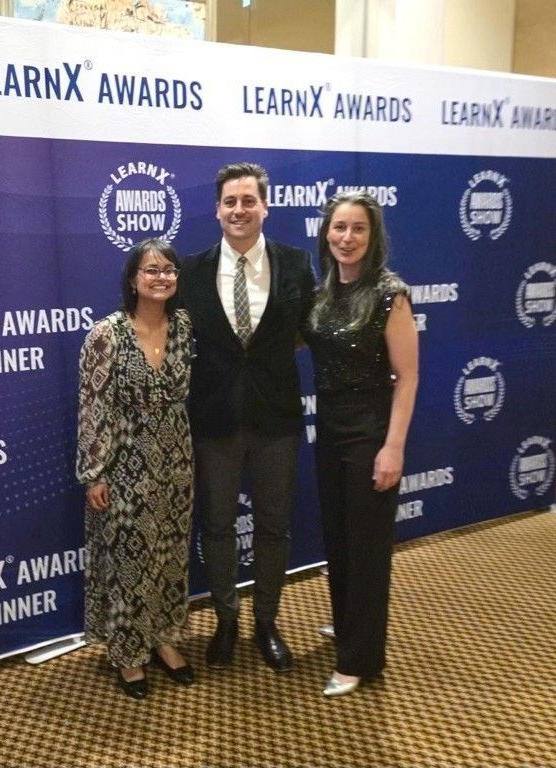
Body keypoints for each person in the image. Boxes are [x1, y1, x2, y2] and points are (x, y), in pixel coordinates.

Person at [179, 163, 315, 672]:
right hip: (213, 420)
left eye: (248, 200)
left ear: (265, 207)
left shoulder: (296, 262)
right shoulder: (190, 271)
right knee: (216, 525)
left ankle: (266, 621)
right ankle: (226, 620)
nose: (239, 210)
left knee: (274, 526)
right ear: (217, 210)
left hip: (276, 418)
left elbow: (306, 330)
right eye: (230, 201)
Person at [303, 191, 418, 696]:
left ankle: (359, 659)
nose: (346, 238)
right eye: (339, 228)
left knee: (367, 548)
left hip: (371, 433)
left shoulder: (391, 294)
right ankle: (350, 623)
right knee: (339, 538)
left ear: (373, 237)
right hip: (329, 431)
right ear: (326, 233)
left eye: (358, 229)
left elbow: (408, 377)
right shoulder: (324, 293)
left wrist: (393, 447)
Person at [76, 237, 195, 699]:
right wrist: (95, 472)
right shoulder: (106, 335)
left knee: (170, 555)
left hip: (176, 461)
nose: (161, 277)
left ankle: (164, 638)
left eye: (168, 270)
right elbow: (93, 407)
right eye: (151, 270)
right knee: (129, 560)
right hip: (124, 464)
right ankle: (128, 654)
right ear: (133, 279)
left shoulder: (184, 326)